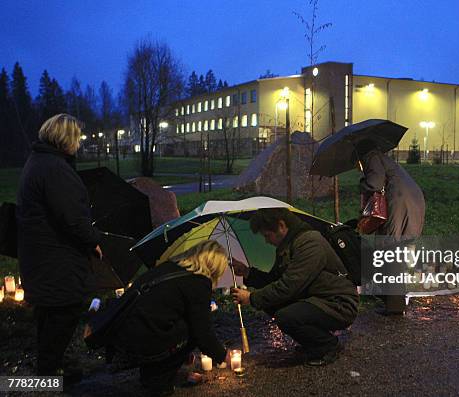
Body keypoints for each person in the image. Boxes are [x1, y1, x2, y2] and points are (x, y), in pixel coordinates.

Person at [16, 114, 103, 382]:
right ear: (66, 139)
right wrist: (93, 241)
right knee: (62, 313)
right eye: (77, 137)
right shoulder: (54, 169)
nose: (79, 143)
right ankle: (48, 376)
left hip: (43, 257)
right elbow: (72, 218)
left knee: (51, 315)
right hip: (56, 260)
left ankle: (52, 367)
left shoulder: (40, 161)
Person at [231, 208, 359, 366]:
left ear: (281, 225)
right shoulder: (288, 245)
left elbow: (289, 286)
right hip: (316, 298)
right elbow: (275, 280)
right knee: (272, 303)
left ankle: (327, 346)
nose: (266, 241)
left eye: (267, 235)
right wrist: (248, 272)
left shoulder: (309, 242)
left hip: (338, 303)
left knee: (286, 316)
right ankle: (312, 343)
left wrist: (251, 298)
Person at [111, 240, 231, 396]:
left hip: (124, 333)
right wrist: (223, 356)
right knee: (192, 330)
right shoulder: (198, 281)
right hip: (143, 340)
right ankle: (160, 379)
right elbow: (202, 332)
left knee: (184, 325)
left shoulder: (170, 267)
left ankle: (150, 373)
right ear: (215, 266)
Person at [356, 142, 426, 314]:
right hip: (407, 201)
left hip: (399, 203)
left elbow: (375, 183)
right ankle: (391, 299)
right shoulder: (379, 157)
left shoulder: (370, 157)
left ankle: (395, 305)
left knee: (391, 252)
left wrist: (361, 184)